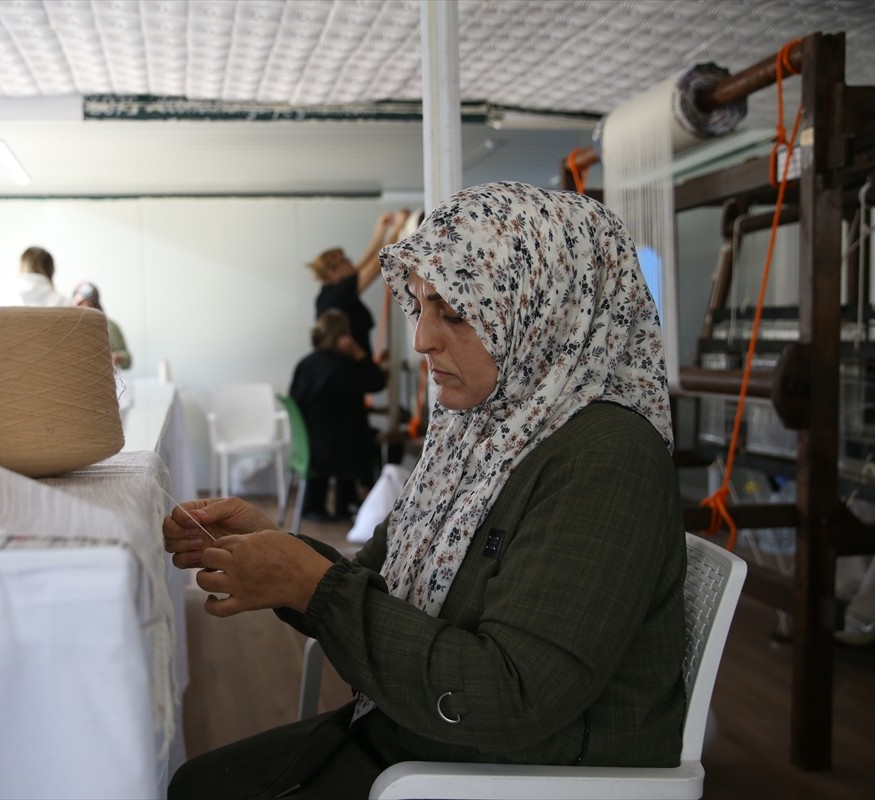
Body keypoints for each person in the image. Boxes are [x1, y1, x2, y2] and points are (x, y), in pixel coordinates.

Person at [162, 181, 687, 799]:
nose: (422, 339)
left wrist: (310, 582)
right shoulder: (485, 432)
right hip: (427, 739)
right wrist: (278, 553)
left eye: (455, 313)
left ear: (546, 313)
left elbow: (511, 696)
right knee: (197, 783)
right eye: (421, 306)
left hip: (520, 775)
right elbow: (376, 587)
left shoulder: (607, 457)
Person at [290, 309, 386, 521]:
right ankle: (352, 503)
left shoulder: (305, 364)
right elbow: (377, 382)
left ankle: (321, 505)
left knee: (351, 431)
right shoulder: (342, 365)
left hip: (310, 443)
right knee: (369, 437)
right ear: (343, 336)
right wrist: (359, 355)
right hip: (336, 447)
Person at [309, 209, 410, 355]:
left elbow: (363, 264)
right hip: (353, 366)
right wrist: (399, 226)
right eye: (344, 260)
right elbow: (376, 264)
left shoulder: (329, 291)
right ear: (333, 272)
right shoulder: (339, 294)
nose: (350, 261)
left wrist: (379, 232)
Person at [71, 281, 132, 370]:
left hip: (104, 379)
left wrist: (116, 357)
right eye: (78, 304)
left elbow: (127, 360)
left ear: (94, 302)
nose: (82, 307)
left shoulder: (110, 326)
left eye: (84, 302)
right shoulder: (70, 327)